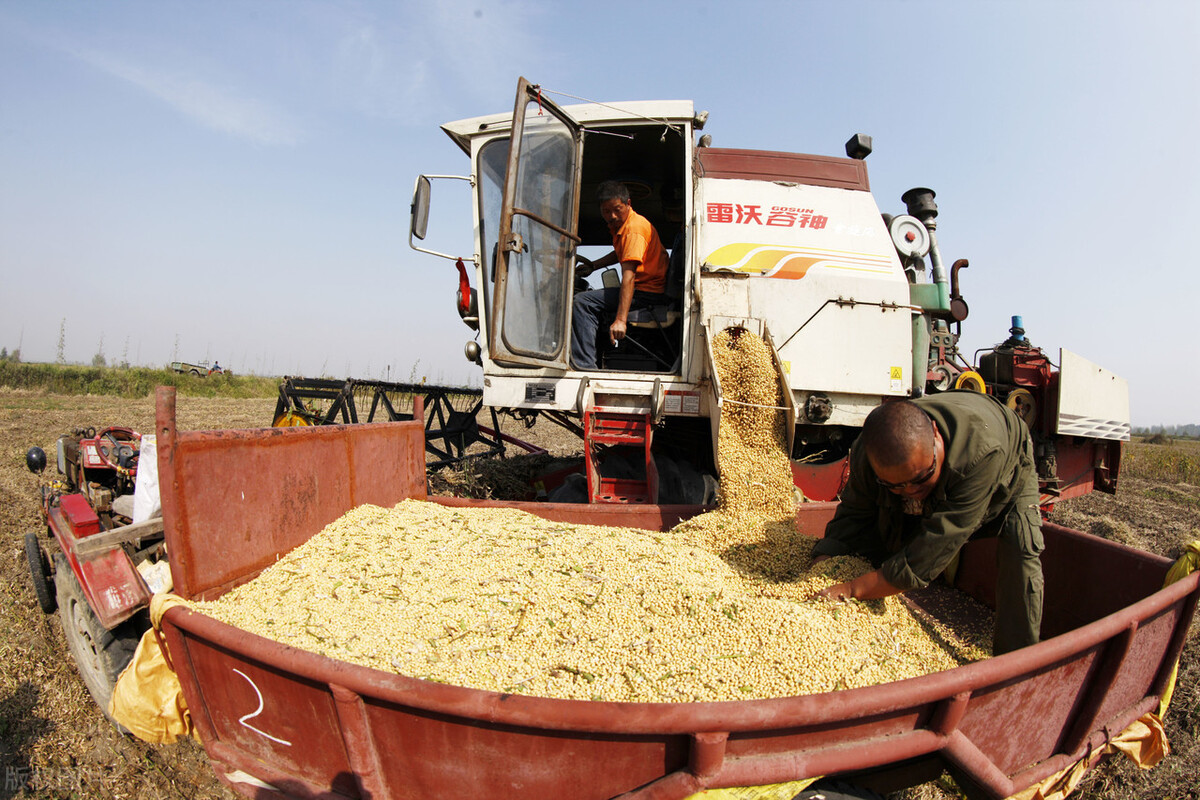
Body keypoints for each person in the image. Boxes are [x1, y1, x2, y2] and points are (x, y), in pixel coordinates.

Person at [811, 390, 1044, 655]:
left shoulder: (982, 454)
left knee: (1020, 552)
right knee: (887, 522)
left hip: (1010, 453)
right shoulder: (868, 451)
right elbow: (855, 511)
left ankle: (1018, 661)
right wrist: (826, 560)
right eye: (895, 485)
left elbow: (933, 547)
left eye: (922, 478)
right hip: (952, 449)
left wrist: (853, 589)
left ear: (935, 434)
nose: (911, 491)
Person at [570, 180, 670, 370]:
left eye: (617, 209)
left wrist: (620, 320)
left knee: (582, 302)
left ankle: (584, 367)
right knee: (591, 299)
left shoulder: (633, 230)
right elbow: (621, 253)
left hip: (647, 292)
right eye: (606, 211)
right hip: (647, 289)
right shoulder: (625, 225)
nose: (612, 216)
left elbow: (629, 277)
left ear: (628, 204)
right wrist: (594, 266)